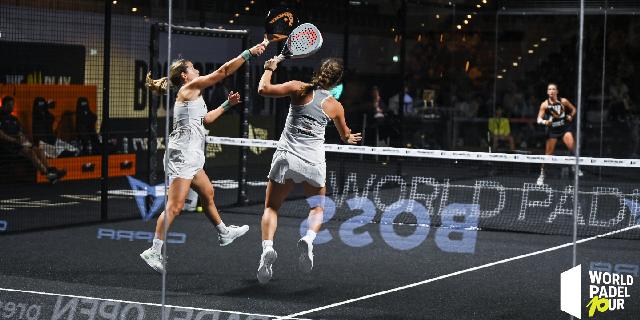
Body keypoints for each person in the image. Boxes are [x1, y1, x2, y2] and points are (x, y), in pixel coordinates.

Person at [140, 42, 266, 274]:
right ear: (185, 76)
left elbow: (205, 120)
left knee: (208, 193)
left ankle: (223, 233)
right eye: (193, 68)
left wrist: (227, 104)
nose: (197, 70)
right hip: (183, 154)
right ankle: (154, 250)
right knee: (175, 206)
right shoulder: (189, 89)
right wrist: (249, 53)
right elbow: (223, 71)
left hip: (192, 153)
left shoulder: (193, 94)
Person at [255, 57, 361, 284]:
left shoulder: (298, 87)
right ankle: (309, 239)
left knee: (271, 207)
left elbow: (263, 89)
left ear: (319, 72)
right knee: (317, 208)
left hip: (286, 158)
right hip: (313, 163)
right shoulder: (335, 106)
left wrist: (269, 68)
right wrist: (350, 136)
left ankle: (267, 248)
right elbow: (345, 136)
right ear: (337, 81)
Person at [0, 96, 66, 183]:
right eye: (10, 105)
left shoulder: (14, 119)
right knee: (30, 152)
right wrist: (14, 140)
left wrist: (24, 141)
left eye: (13, 104)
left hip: (18, 144)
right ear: (4, 105)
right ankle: (49, 174)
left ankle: (50, 171)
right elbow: (2, 135)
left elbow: (20, 133)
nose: (12, 107)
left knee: (39, 150)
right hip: (7, 146)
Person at [535, 83, 580, 185]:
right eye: (549, 89)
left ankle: (576, 167)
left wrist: (570, 116)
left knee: (573, 147)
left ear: (557, 91)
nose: (551, 91)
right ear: (547, 92)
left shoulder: (563, 101)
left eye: (553, 89)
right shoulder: (544, 104)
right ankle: (542, 174)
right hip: (553, 132)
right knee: (548, 155)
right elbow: (538, 119)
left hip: (565, 129)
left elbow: (574, 109)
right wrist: (546, 122)